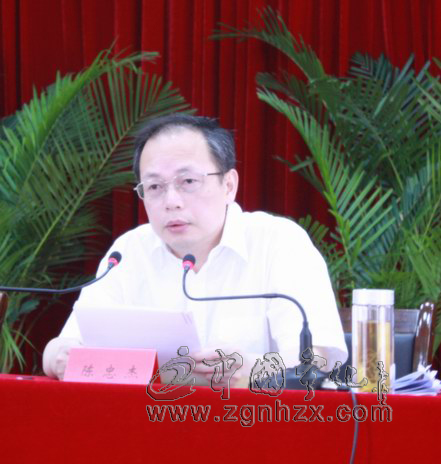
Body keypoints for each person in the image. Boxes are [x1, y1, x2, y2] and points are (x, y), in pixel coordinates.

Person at [43, 114, 347, 384]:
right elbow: (61, 349)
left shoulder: (279, 243)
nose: (171, 201)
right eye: (155, 187)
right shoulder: (129, 252)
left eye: (188, 181)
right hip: (146, 422)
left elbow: (316, 362)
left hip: (251, 422)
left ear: (229, 185)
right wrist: (58, 356)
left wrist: (249, 369)